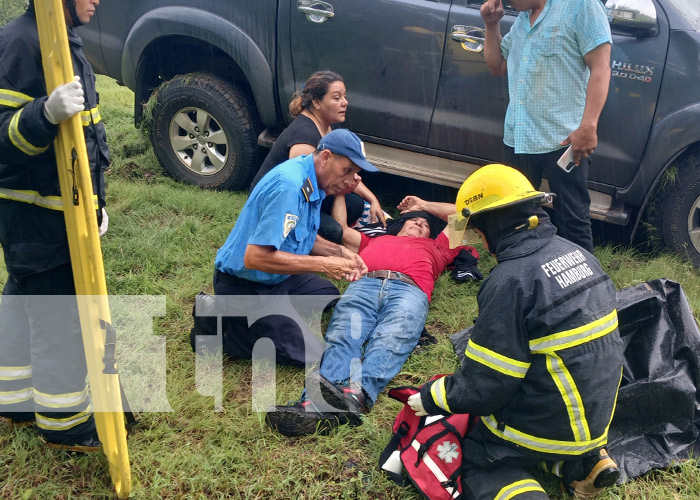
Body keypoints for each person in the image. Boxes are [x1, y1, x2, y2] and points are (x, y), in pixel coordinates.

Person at [406, 164, 624, 498]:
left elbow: (486, 388)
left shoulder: (510, 281)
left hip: (551, 424)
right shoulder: (577, 253)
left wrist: (432, 397)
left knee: (477, 457)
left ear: (492, 227)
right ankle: (582, 461)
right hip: (597, 418)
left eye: (479, 233)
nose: (482, 243)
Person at [265, 195, 480, 436]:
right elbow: (343, 230)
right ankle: (313, 404)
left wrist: (424, 206)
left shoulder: (439, 248)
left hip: (409, 289)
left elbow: (463, 214)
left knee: (392, 337)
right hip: (364, 284)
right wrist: (339, 194)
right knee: (342, 336)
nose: (419, 223)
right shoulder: (375, 241)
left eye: (425, 223)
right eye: (414, 219)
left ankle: (357, 394)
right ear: (401, 223)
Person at [0, 0, 109, 452]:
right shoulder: (21, 44)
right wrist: (43, 114)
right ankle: (64, 424)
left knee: (26, 300)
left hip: (58, 214)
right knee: (60, 317)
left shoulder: (60, 42)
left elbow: (83, 139)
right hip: (38, 216)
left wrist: (97, 204)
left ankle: (14, 400)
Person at [211, 129, 378, 366]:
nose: (351, 179)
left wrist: (340, 252)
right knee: (312, 354)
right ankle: (228, 327)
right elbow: (255, 258)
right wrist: (324, 264)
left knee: (328, 296)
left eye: (356, 173)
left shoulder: (313, 177)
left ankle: (275, 313)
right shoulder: (289, 186)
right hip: (247, 284)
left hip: (280, 277)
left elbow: (301, 234)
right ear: (326, 157)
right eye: (347, 170)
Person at [480, 0, 612, 253]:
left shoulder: (580, 6)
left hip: (562, 140)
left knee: (572, 219)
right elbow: (497, 66)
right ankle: (523, 279)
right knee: (515, 219)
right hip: (519, 138)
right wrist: (491, 25)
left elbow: (601, 68)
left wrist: (589, 125)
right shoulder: (522, 20)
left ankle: (583, 287)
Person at [250, 70, 385, 244]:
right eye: (336, 98)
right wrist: (339, 192)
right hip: (275, 201)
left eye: (344, 96)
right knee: (333, 232)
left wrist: (372, 199)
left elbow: (344, 172)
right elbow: (299, 191)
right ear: (316, 102)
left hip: (309, 190)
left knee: (355, 205)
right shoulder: (304, 139)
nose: (345, 103)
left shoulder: (328, 125)